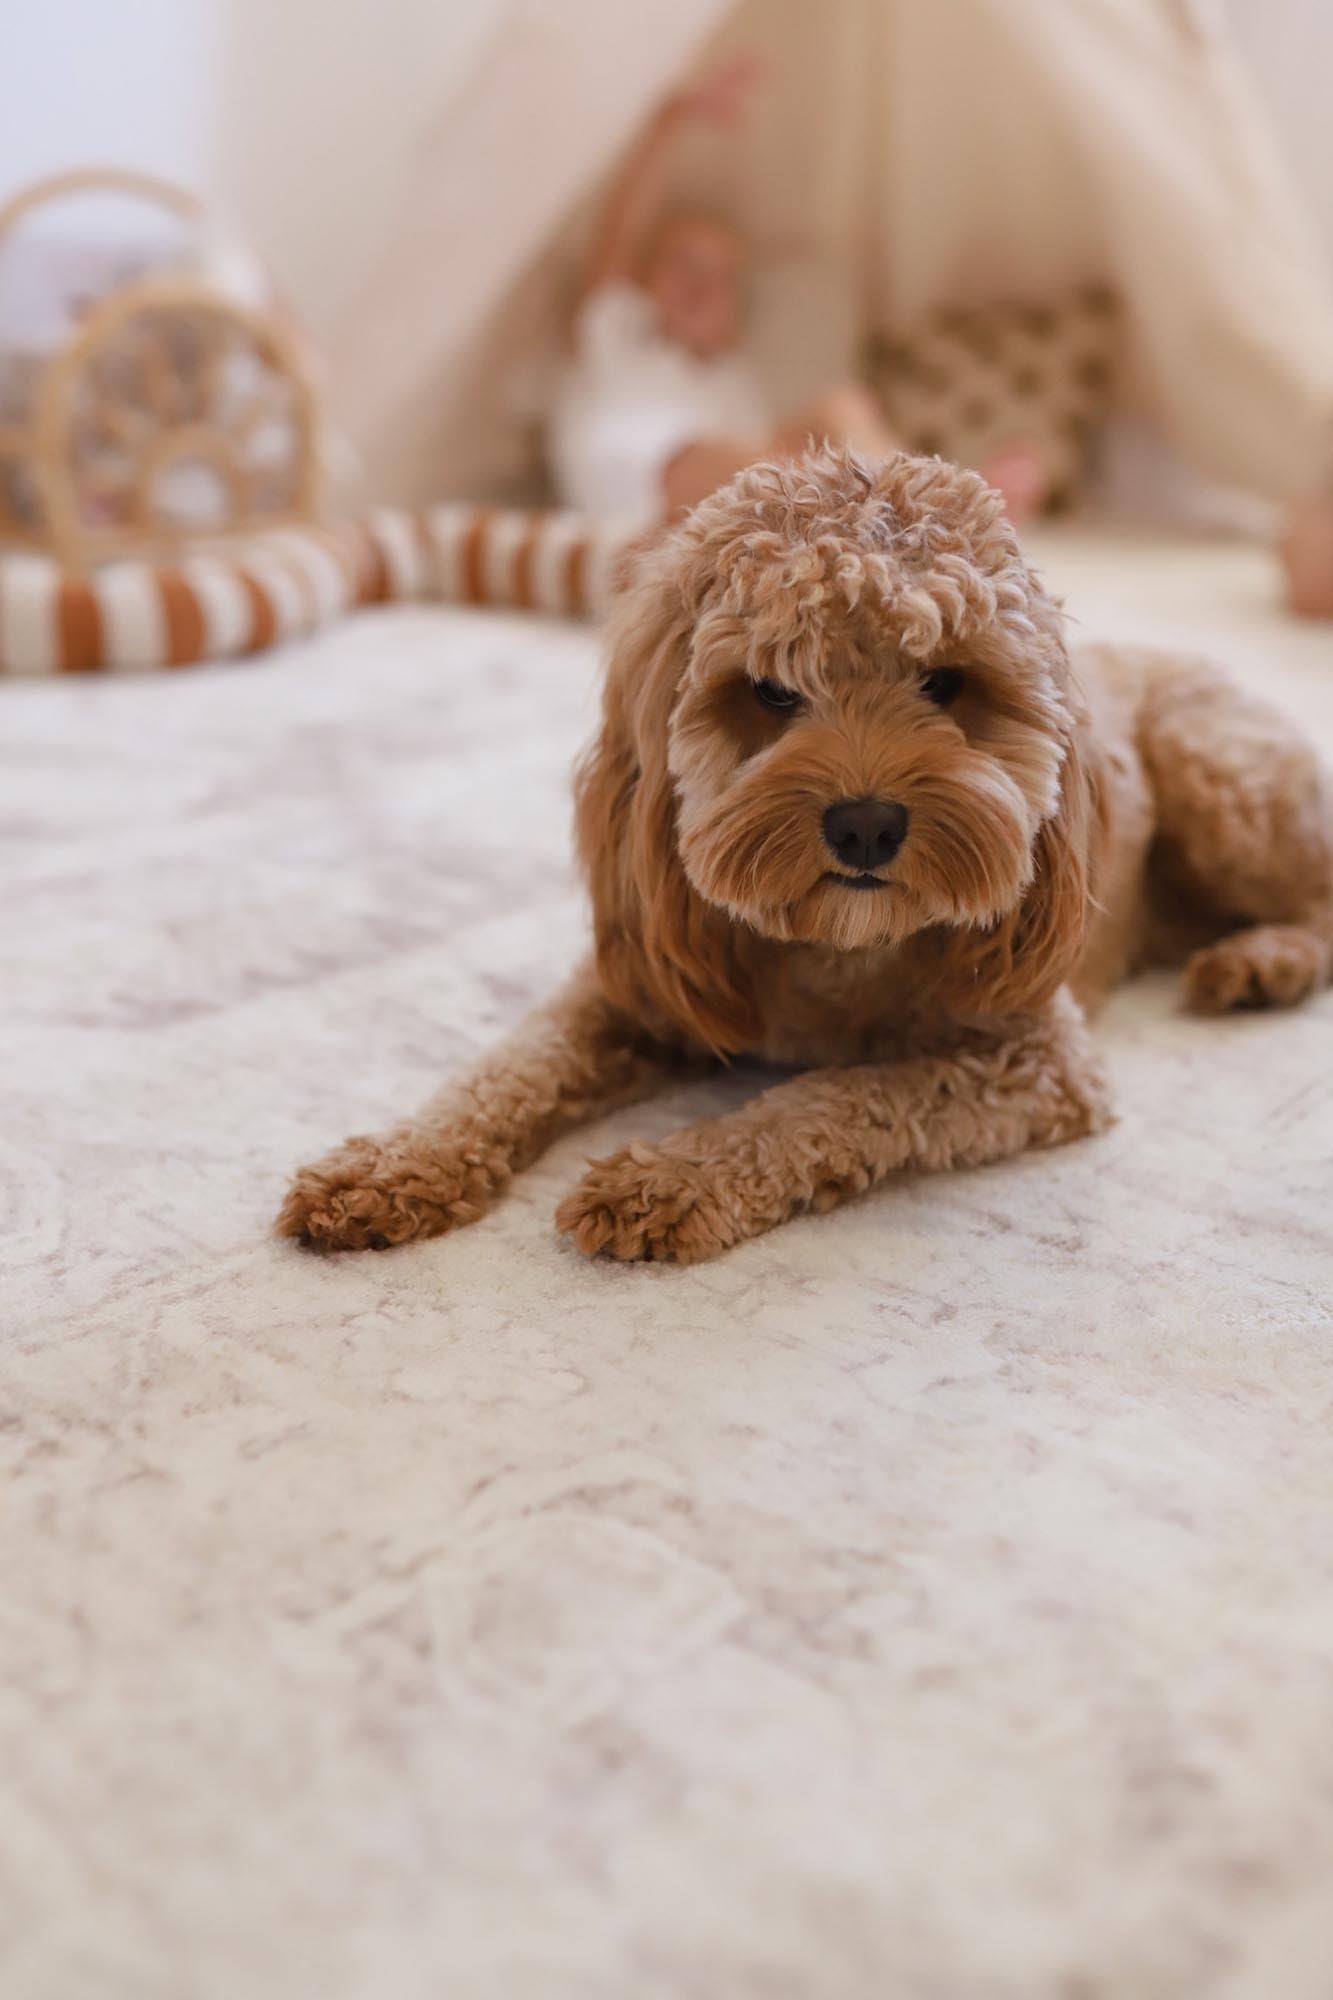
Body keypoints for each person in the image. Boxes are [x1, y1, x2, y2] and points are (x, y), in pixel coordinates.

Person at [548, 58, 900, 528]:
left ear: (734, 315)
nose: (701, 283)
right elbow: (619, 230)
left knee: (841, 406)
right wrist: (669, 120)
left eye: (720, 276)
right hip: (645, 495)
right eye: (683, 263)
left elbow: (768, 451)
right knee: (759, 468)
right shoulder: (619, 334)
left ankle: (929, 503)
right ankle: (909, 517)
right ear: (644, 282)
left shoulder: (734, 381)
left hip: (748, 487)